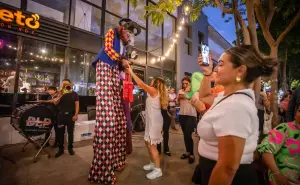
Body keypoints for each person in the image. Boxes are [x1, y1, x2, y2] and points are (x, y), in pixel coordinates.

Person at [196, 45, 277, 185]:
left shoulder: (236, 106)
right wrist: (207, 73)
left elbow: (227, 168)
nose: (216, 69)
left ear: (240, 70)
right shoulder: (227, 96)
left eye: (221, 64)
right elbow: (204, 96)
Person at [88, 18, 141, 184]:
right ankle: (101, 172)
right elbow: (109, 50)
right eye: (129, 33)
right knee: (108, 122)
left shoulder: (124, 46)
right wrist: (122, 60)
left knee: (119, 121)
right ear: (123, 28)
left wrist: (125, 64)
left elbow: (120, 62)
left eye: (131, 35)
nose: (130, 37)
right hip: (104, 69)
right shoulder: (112, 33)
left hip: (114, 75)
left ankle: (116, 162)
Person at [126, 65, 168, 180]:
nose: (151, 81)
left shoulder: (154, 90)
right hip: (152, 121)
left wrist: (131, 72)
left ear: (156, 83)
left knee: (152, 145)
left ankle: (158, 170)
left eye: (153, 80)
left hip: (155, 122)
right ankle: (153, 164)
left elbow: (141, 84)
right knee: (147, 142)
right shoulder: (153, 92)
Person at [258, 103, 300, 185]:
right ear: (295, 114)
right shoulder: (285, 129)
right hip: (282, 180)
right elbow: (266, 150)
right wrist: (277, 174)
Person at [51, 79, 79, 158]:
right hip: (61, 116)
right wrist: (60, 94)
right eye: (63, 84)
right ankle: (60, 149)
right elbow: (55, 103)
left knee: (70, 133)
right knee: (60, 133)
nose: (65, 86)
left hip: (71, 116)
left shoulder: (74, 94)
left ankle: (70, 148)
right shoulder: (59, 93)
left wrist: (76, 115)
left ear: (70, 84)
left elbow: (77, 105)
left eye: (66, 84)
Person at [177, 76, 197, 164]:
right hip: (182, 115)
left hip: (191, 115)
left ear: (190, 83)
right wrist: (180, 96)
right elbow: (178, 100)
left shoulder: (194, 92)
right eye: (183, 83)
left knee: (188, 135)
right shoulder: (180, 91)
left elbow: (194, 100)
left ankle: (192, 154)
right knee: (185, 135)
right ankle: (187, 152)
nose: (184, 85)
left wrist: (186, 94)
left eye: (186, 83)